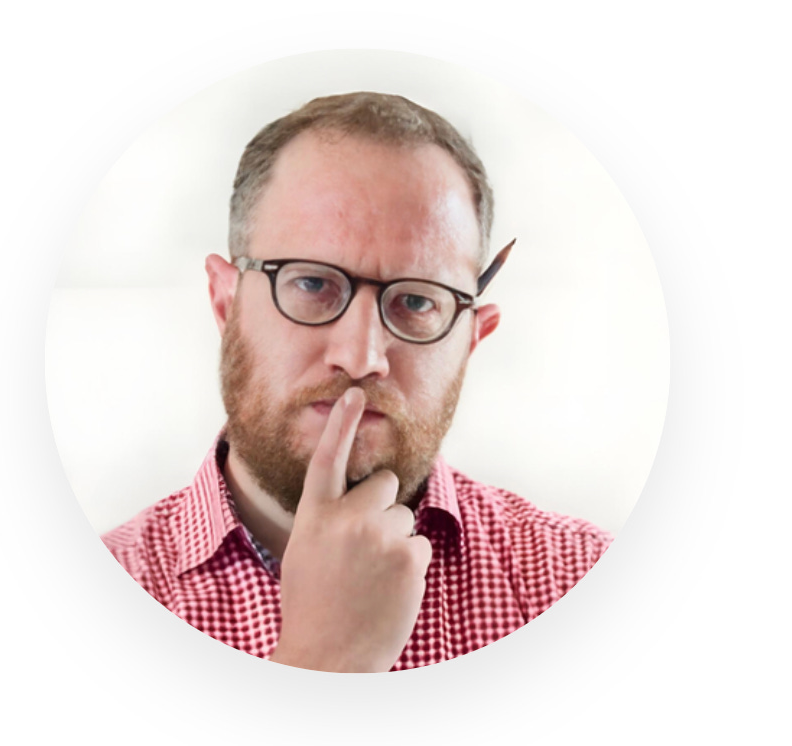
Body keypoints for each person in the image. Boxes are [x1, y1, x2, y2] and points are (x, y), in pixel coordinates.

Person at [102, 92, 613, 672]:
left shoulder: (588, 588)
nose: (362, 357)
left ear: (472, 339)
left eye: (416, 301)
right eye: (312, 284)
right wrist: (324, 662)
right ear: (226, 302)